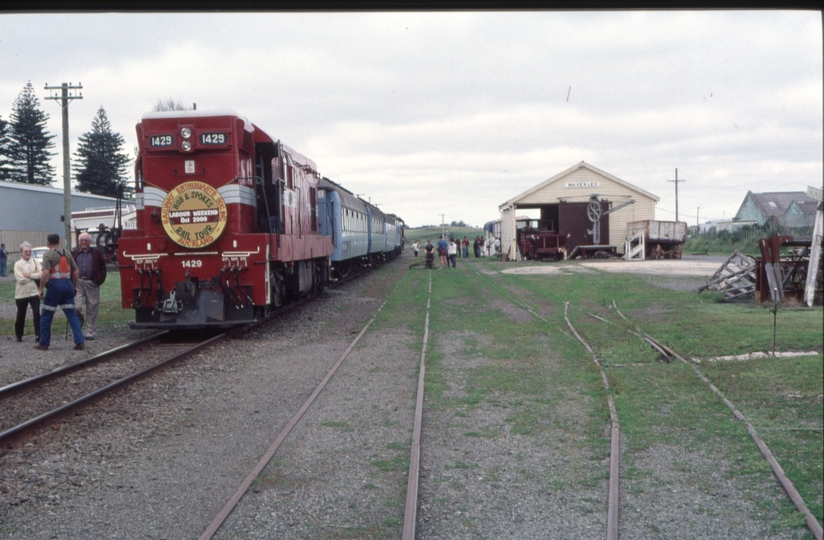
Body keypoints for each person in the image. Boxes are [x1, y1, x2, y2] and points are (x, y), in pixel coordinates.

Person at [35, 233, 84, 351]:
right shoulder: (67, 253)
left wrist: (40, 289)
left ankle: (44, 343)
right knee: (71, 314)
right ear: (59, 241)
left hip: (55, 286)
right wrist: (75, 286)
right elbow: (76, 272)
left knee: (46, 315)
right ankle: (79, 341)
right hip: (68, 285)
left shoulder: (48, 254)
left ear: (48, 242)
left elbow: (45, 273)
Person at [72, 231, 107, 341]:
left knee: (92, 307)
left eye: (85, 240)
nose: (83, 242)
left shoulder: (96, 252)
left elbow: (103, 268)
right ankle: (80, 322)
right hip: (78, 283)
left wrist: (98, 281)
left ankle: (90, 331)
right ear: (78, 242)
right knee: (76, 306)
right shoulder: (74, 253)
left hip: (92, 282)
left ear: (89, 242)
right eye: (81, 240)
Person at [14, 242, 41, 342]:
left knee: (37, 313)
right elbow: (20, 279)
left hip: (34, 292)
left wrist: (29, 275)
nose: (28, 253)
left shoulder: (35, 261)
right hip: (21, 294)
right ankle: (19, 335)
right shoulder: (17, 264)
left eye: (30, 251)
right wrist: (34, 274)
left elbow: (41, 274)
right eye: (26, 251)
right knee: (21, 314)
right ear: (21, 252)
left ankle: (38, 335)